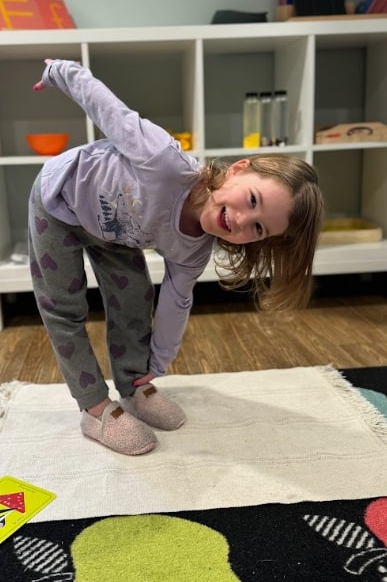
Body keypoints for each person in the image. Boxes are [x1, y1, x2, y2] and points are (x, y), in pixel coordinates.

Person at [29, 59, 324, 456]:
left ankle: (134, 387)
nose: (240, 220)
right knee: (64, 310)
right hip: (58, 201)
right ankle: (95, 409)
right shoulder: (163, 161)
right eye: (251, 200)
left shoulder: (194, 248)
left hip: (113, 232)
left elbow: (176, 300)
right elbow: (106, 107)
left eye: (257, 228)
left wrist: (159, 362)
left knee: (135, 298)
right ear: (237, 170)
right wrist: (61, 72)